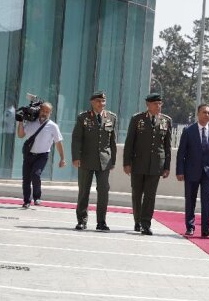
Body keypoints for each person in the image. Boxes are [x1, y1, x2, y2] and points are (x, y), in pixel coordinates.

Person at [123, 93, 171, 235]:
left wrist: (167, 166)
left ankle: (146, 223)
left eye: (160, 104)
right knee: (137, 194)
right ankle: (137, 220)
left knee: (150, 195)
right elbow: (129, 142)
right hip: (138, 163)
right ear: (148, 105)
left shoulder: (166, 121)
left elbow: (167, 146)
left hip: (156, 164)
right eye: (155, 104)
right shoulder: (137, 119)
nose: (158, 106)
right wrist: (127, 163)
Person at [71, 92, 117, 231]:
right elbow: (77, 138)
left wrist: (113, 159)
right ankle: (82, 220)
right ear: (92, 102)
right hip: (86, 159)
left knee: (103, 191)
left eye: (103, 101)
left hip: (104, 161)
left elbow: (112, 141)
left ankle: (101, 222)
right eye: (98, 101)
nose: (101, 103)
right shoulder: (83, 117)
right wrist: (76, 157)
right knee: (84, 191)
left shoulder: (111, 117)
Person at [176, 103, 209, 237]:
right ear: (198, 114)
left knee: (207, 200)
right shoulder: (189, 131)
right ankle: (190, 227)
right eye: (204, 112)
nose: (207, 115)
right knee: (190, 199)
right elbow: (181, 153)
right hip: (191, 171)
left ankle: (206, 228)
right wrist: (180, 171)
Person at [17, 101, 65, 208]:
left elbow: (58, 142)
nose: (44, 113)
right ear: (39, 110)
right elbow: (20, 135)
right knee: (26, 179)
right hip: (29, 154)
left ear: (50, 113)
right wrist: (20, 122)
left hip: (42, 156)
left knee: (36, 174)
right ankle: (26, 201)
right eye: (43, 110)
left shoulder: (53, 126)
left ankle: (37, 197)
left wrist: (62, 158)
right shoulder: (30, 122)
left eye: (47, 112)